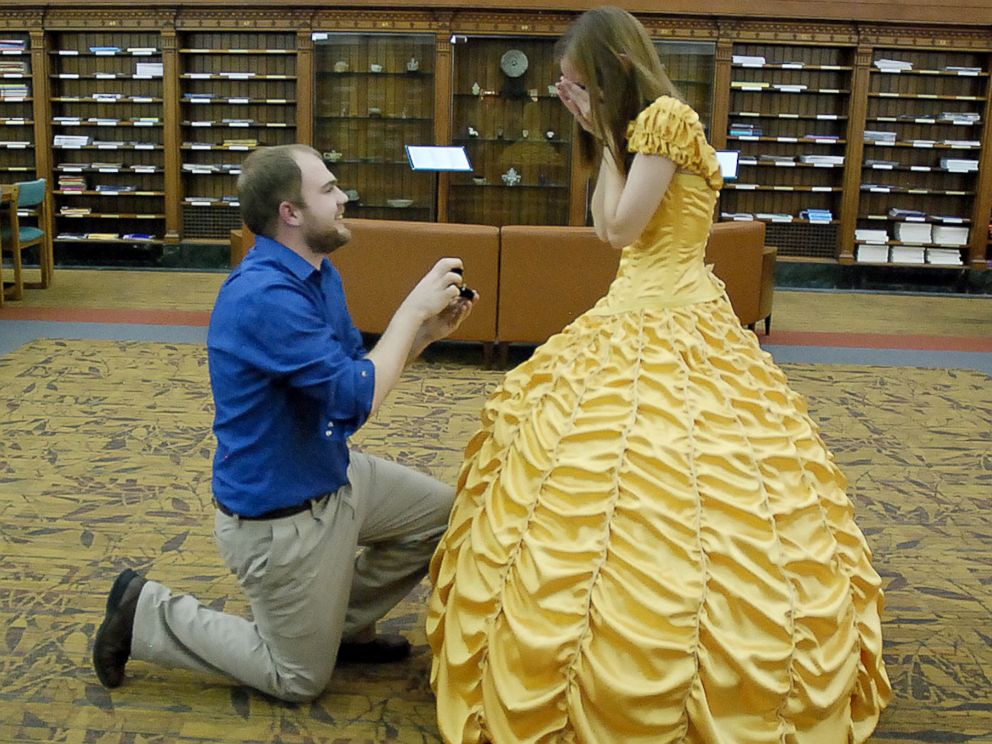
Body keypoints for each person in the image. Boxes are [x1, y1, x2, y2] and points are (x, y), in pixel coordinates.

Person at [427, 7, 890, 743]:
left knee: (680, 471)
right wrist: (600, 136)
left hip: (671, 312)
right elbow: (606, 228)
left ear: (615, 67)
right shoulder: (639, 131)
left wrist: (606, 135)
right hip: (639, 303)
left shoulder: (665, 120)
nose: (573, 95)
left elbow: (621, 228)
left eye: (580, 83)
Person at [92, 143, 476, 702]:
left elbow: (349, 377)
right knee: (297, 678)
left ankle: (333, 627)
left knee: (445, 518)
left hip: (331, 475)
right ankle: (145, 612)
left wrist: (425, 334)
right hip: (280, 521)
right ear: (290, 213)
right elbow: (356, 395)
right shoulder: (264, 296)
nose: (343, 198)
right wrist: (411, 311)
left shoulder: (317, 274)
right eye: (328, 189)